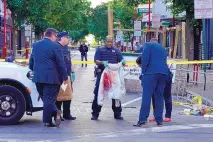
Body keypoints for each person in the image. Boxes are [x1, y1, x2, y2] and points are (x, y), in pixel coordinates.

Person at [29, 28, 68, 127]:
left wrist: (36, 71)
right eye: (56, 36)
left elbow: (31, 62)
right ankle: (48, 121)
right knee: (49, 100)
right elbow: (60, 63)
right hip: (52, 78)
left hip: (38, 78)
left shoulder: (36, 45)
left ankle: (55, 113)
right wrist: (65, 77)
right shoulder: (55, 46)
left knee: (46, 100)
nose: (56, 38)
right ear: (52, 35)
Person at [134, 38, 169, 127]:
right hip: (163, 73)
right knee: (159, 97)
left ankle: (142, 120)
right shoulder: (163, 48)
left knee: (147, 96)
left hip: (151, 73)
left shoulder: (147, 45)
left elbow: (145, 59)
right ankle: (159, 121)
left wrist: (144, 71)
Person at [91, 35, 126, 120]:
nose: (110, 43)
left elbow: (121, 59)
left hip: (113, 75)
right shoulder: (100, 50)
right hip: (102, 73)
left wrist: (123, 61)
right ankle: (95, 113)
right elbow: (96, 61)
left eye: (111, 42)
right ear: (105, 41)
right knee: (99, 92)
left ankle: (117, 113)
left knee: (116, 93)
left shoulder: (116, 50)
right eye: (108, 42)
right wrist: (103, 62)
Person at [136, 55, 173, 122]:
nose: (139, 67)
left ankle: (168, 115)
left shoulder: (154, 64)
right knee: (154, 96)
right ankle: (156, 115)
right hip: (157, 80)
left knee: (166, 96)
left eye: (140, 65)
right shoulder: (146, 66)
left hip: (166, 78)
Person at [56, 32, 76, 121]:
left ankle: (66, 114)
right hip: (62, 77)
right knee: (60, 96)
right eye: (67, 38)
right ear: (62, 38)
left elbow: (68, 61)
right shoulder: (57, 48)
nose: (68, 39)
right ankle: (58, 114)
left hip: (67, 75)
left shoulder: (66, 48)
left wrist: (72, 71)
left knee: (68, 95)